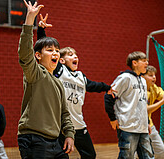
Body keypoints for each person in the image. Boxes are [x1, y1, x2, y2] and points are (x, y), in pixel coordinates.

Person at [37, 14, 115, 159]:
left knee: (90, 155)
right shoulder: (59, 70)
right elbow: (46, 53)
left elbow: (93, 85)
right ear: (61, 59)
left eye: (76, 55)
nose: (75, 57)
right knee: (61, 156)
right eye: (71, 55)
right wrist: (41, 30)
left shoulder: (81, 76)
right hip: (61, 125)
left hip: (79, 125)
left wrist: (107, 87)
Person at [17, 0, 75, 158]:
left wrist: (69, 134)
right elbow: (25, 53)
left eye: (57, 50)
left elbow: (65, 113)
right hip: (33, 139)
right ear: (38, 56)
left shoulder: (57, 82)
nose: (55, 53)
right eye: (50, 50)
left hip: (55, 141)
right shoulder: (35, 73)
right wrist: (30, 20)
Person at [104, 51, 154, 159]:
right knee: (127, 157)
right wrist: (112, 118)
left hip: (143, 128)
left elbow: (143, 103)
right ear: (134, 63)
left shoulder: (143, 81)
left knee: (149, 156)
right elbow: (108, 97)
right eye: (144, 61)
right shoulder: (125, 77)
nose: (147, 63)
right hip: (127, 127)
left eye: (147, 61)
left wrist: (147, 122)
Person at [143, 65, 164, 159]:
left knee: (161, 151)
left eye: (154, 75)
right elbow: (146, 110)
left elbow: (162, 95)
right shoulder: (138, 90)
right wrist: (162, 102)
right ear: (142, 77)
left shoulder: (153, 87)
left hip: (150, 125)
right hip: (136, 128)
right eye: (150, 75)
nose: (154, 77)